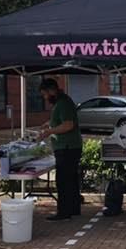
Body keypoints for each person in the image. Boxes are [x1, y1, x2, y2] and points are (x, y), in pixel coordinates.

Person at [38, 79, 83, 221]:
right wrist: (49, 124)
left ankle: (64, 212)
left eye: (45, 94)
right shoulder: (62, 102)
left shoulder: (63, 103)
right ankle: (73, 209)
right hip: (69, 147)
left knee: (63, 180)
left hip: (67, 147)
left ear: (51, 90)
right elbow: (62, 120)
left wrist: (49, 131)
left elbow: (68, 124)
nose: (45, 98)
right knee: (71, 179)